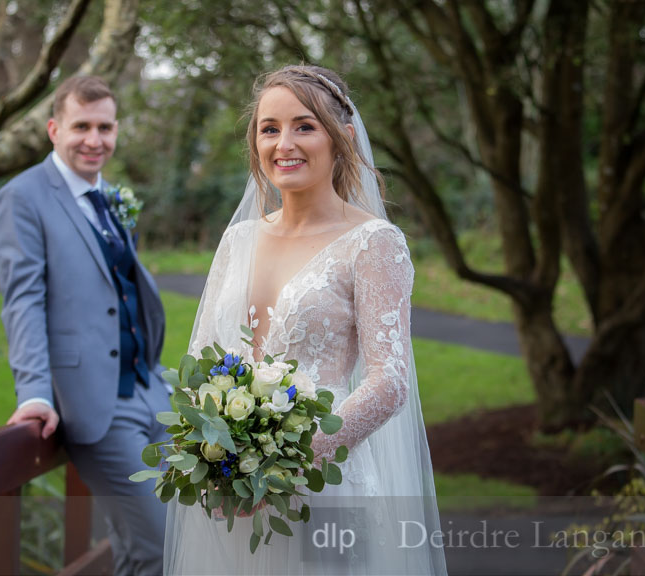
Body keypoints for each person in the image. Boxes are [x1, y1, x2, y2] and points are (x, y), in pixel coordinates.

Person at [164, 65, 447, 575]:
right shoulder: (238, 241)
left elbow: (390, 381)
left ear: (343, 137)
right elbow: (200, 363)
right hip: (233, 488)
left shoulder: (373, 243)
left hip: (326, 484)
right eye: (269, 128)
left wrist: (286, 466)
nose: (284, 143)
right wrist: (213, 455)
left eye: (304, 126)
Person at [0, 74, 167, 576]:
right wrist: (34, 394)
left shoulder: (111, 196)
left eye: (105, 127)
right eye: (81, 126)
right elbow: (22, 300)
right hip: (93, 404)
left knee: (161, 539)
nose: (95, 140)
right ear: (53, 129)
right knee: (157, 543)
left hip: (150, 390)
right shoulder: (21, 198)